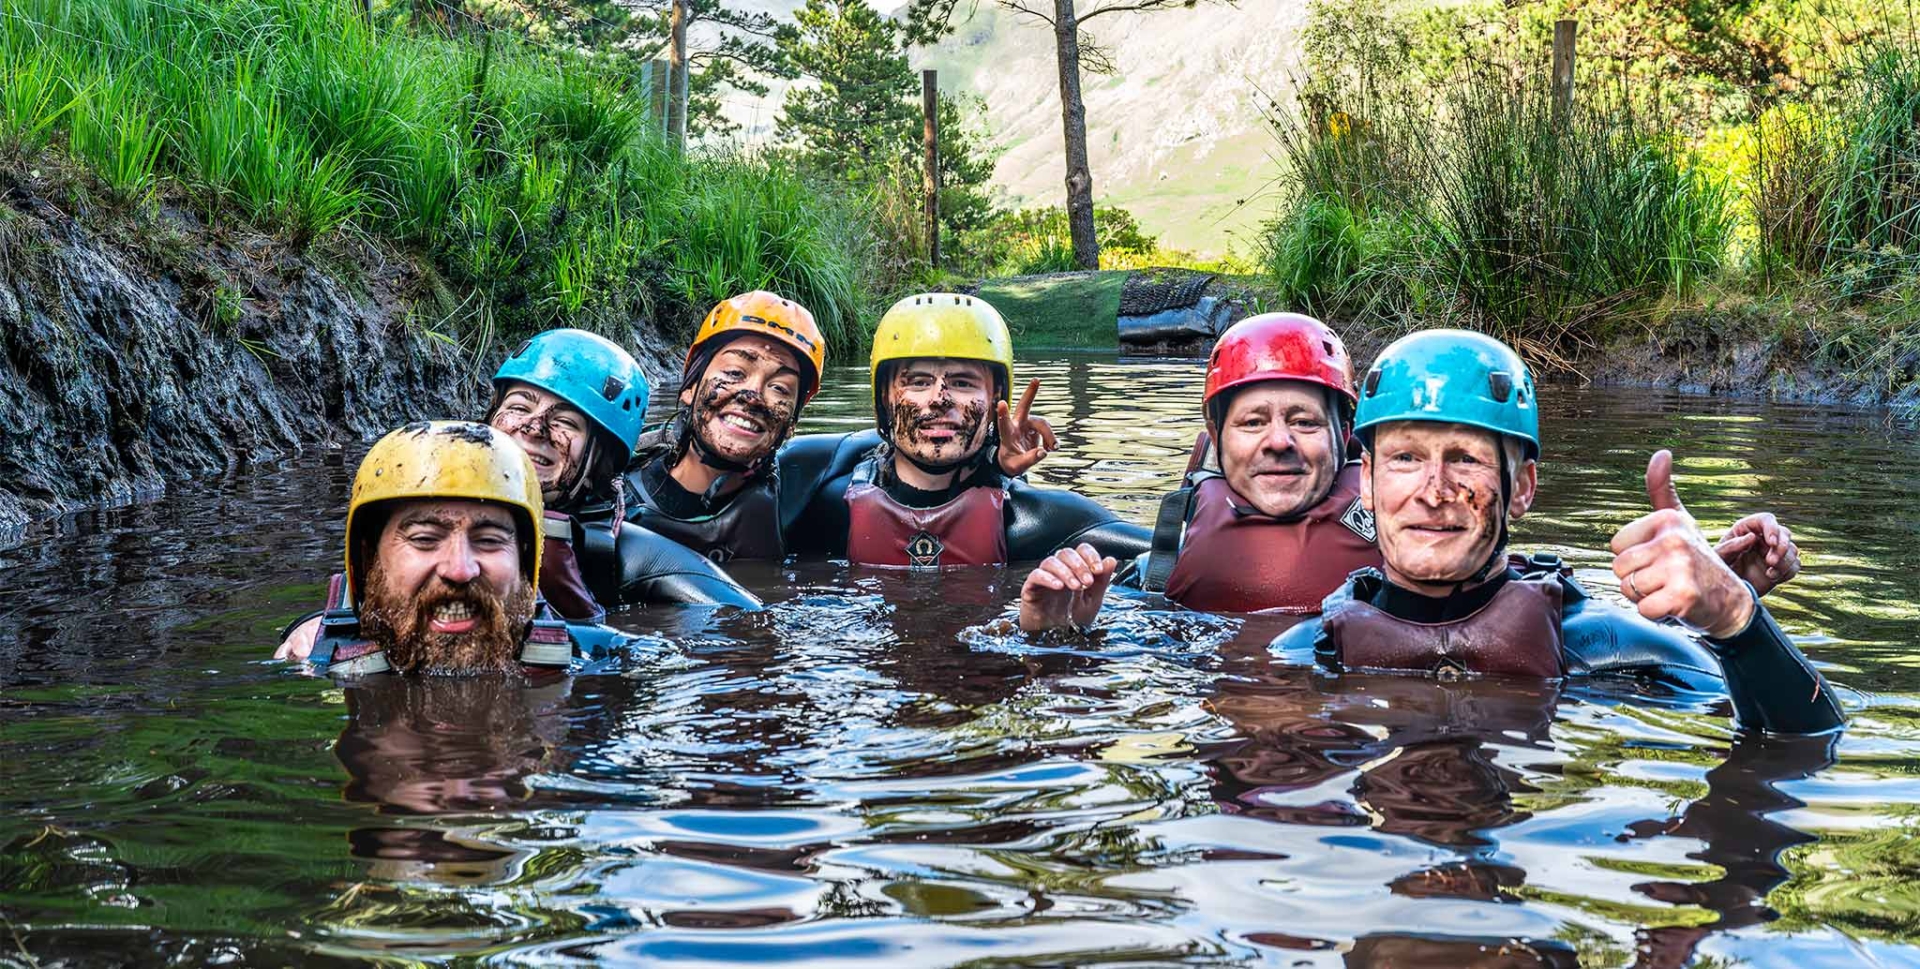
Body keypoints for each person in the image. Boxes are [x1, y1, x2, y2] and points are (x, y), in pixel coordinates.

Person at [1017, 314, 1802, 632]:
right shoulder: (1173, 534)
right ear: (1215, 441)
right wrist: (1059, 641)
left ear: (1346, 441)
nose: (1278, 443)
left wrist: (1714, 601)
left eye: (1302, 421)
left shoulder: (1416, 527)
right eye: (1253, 422)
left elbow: (1539, 599)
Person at [1266, 329, 1842, 735]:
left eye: (1465, 459)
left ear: (1522, 489)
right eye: (1406, 459)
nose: (1433, 490)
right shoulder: (1300, 658)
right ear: (1366, 483)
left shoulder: (1612, 648)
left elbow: (1810, 741)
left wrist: (1733, 616)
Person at [277, 331, 758, 661]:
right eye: (520, 406)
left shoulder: (626, 551)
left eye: (566, 422)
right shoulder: (423, 501)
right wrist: (318, 624)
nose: (534, 428)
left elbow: (746, 628)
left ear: (605, 461)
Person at [780, 292, 1150, 568]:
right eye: (919, 381)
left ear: (995, 399)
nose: (940, 399)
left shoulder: (1035, 521)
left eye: (962, 383)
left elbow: (1169, 558)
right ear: (885, 398)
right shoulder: (821, 507)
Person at [286, 421, 630, 676]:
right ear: (368, 559)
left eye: (489, 540)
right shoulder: (306, 663)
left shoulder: (605, 660)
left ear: (526, 562)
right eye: (424, 540)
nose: (461, 569)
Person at [620, 291, 827, 562]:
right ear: (690, 387)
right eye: (734, 372)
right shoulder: (614, 489)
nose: (753, 396)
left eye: (779, 388)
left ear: (791, 424)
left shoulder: (798, 492)